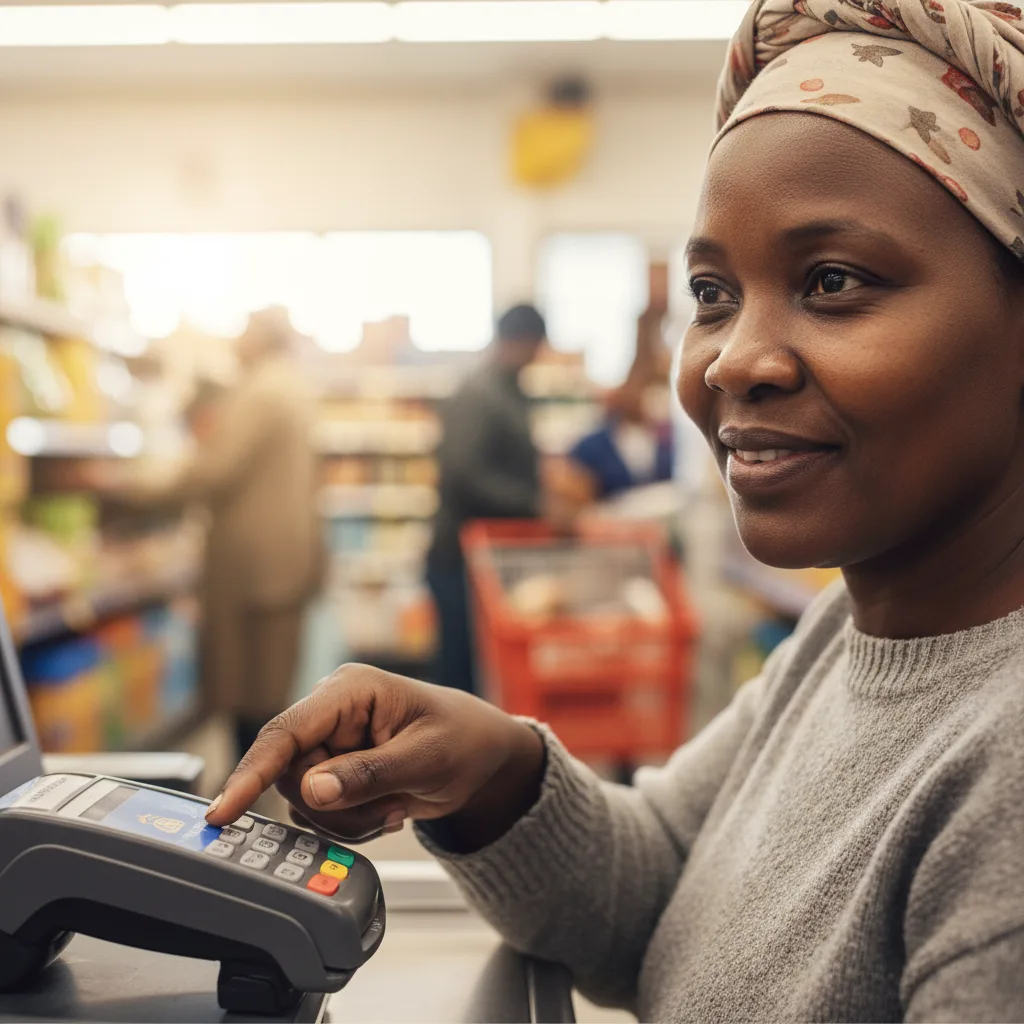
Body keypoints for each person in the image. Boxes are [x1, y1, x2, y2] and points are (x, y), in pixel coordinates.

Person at [208, 3, 1024, 1019]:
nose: (731, 358)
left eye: (832, 280)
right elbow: (664, 885)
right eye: (714, 292)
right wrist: (496, 769)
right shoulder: (843, 631)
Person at [105, 308, 324, 762]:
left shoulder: (259, 392)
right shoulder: (292, 387)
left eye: (242, 330)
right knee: (269, 676)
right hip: (285, 556)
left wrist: (133, 487)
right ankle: (258, 776)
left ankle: (250, 781)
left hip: (253, 563)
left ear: (261, 336)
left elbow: (213, 470)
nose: (235, 341)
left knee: (250, 682)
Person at [425, 303, 547, 696]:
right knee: (459, 678)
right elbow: (463, 473)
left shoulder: (507, 389)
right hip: (458, 559)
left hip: (482, 558)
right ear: (523, 342)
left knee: (478, 674)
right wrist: (534, 504)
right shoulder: (479, 394)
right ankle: (447, 758)